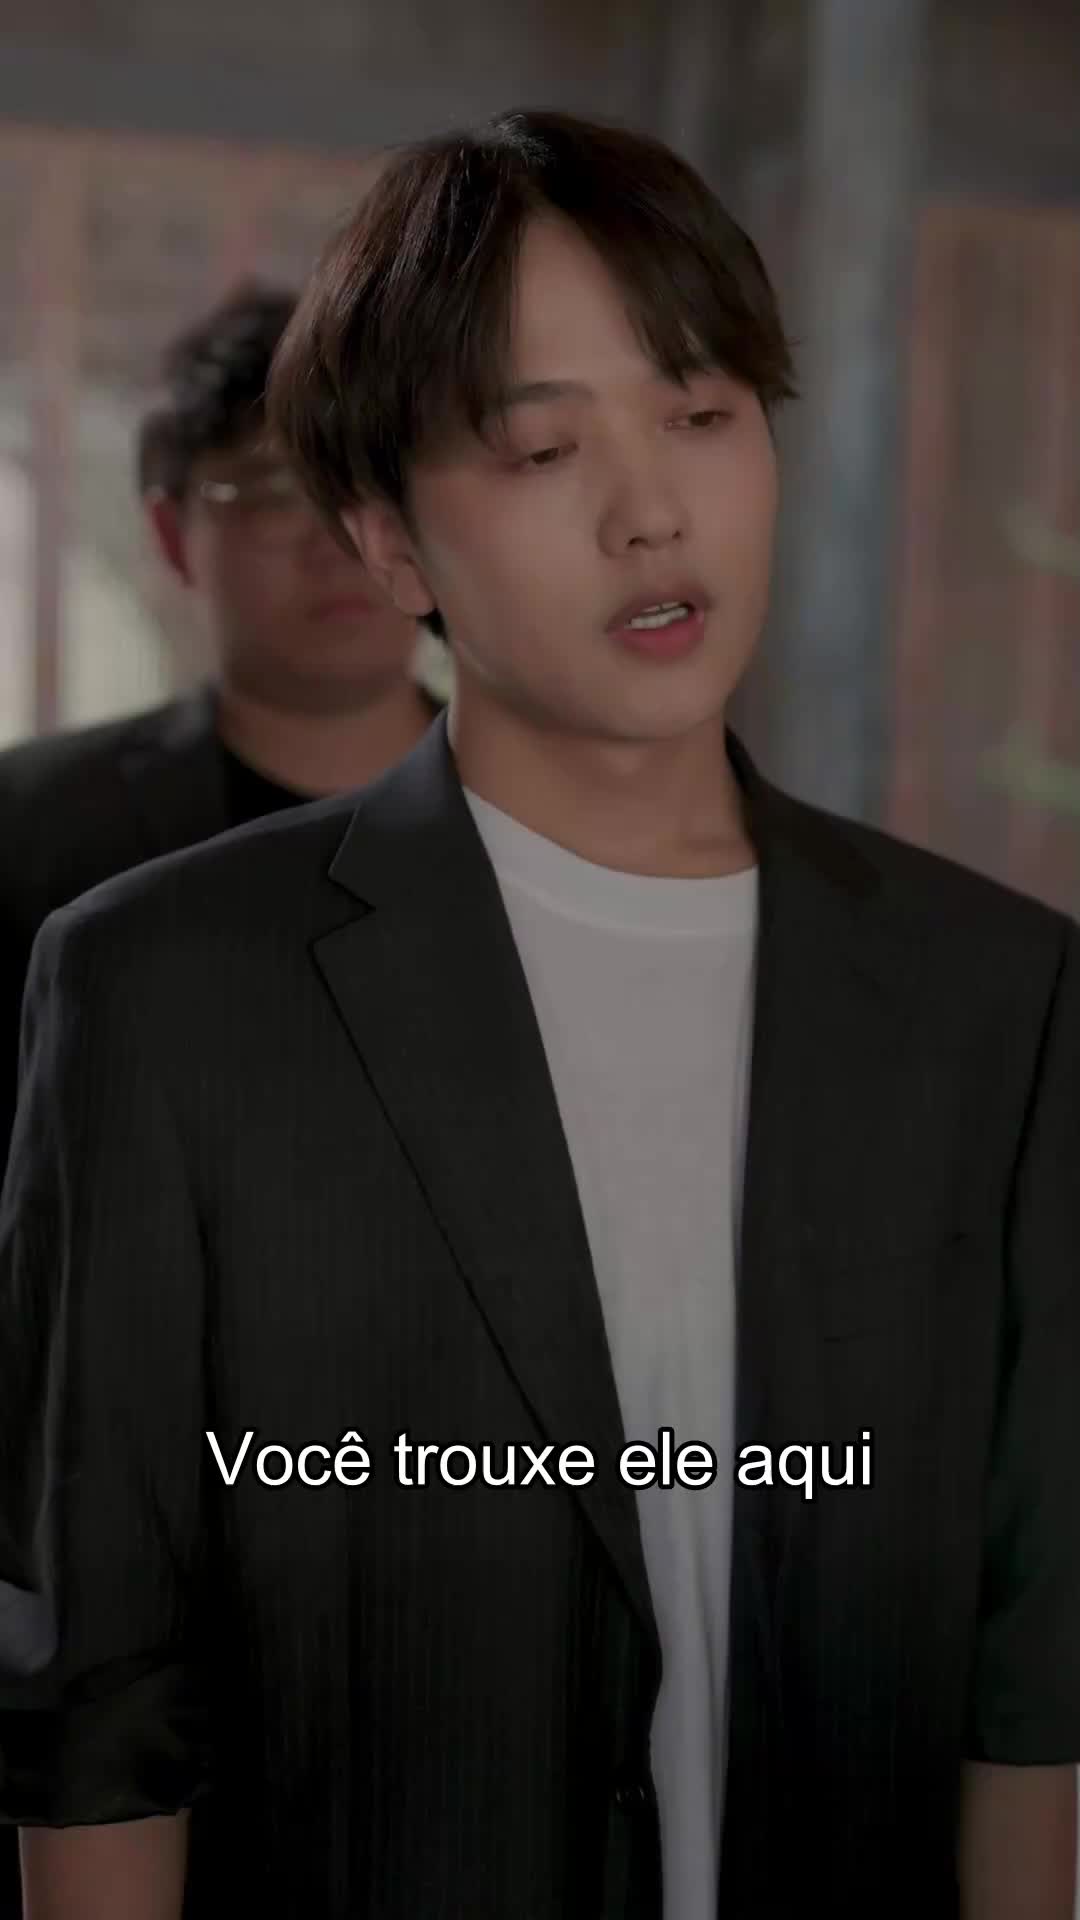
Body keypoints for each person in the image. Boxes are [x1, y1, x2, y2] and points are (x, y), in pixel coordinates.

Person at [1, 109, 1077, 1920]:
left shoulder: (998, 997)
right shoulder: (167, 990)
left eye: (702, 415)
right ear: (391, 541)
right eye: (542, 447)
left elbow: (1028, 1671)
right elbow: (99, 1676)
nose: (651, 509)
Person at [0, 283, 446, 1170]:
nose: (338, 544)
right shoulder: (30, 825)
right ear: (173, 536)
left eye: (370, 489)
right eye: (276, 491)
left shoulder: (550, 811)